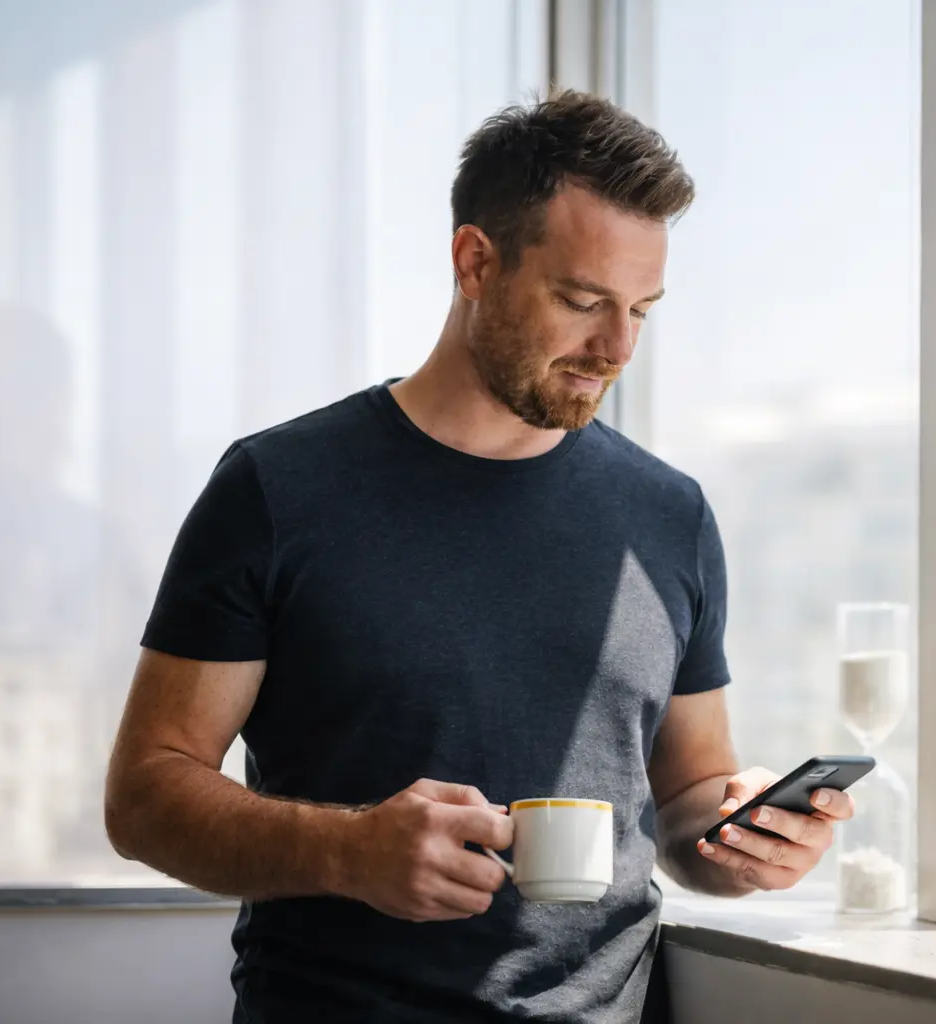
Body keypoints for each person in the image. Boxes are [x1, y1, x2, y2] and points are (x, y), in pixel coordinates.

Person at [102, 90, 853, 1022]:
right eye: (582, 301)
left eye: (641, 311)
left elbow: (690, 800)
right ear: (474, 261)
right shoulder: (277, 488)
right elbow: (144, 796)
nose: (615, 348)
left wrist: (750, 841)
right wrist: (348, 849)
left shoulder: (669, 516)